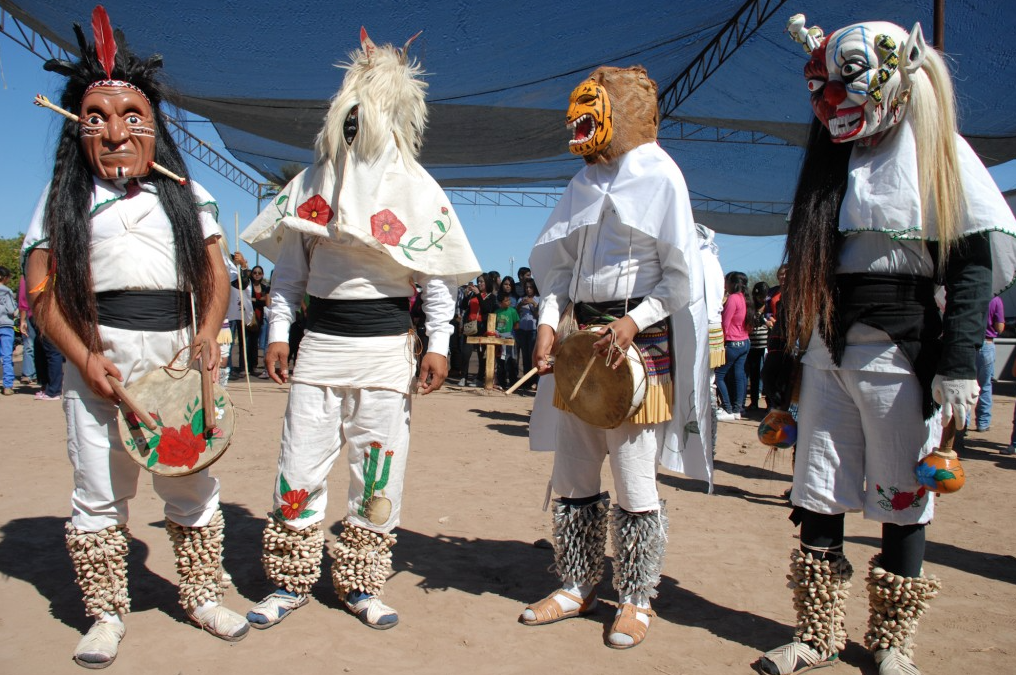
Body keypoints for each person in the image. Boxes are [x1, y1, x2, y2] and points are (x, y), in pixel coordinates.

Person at [756, 16, 1016, 675]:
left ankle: (891, 641)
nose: (830, 103)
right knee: (816, 490)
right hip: (824, 351)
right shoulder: (831, 164)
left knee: (903, 492)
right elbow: (806, 268)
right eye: (820, 88)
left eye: (845, 83)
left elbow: (971, 267)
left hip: (899, 354)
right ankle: (815, 633)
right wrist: (790, 358)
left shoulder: (940, 153)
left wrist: (959, 362)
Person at [21, 7, 249, 668]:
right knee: (98, 489)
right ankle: (105, 611)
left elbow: (214, 273)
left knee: (191, 484)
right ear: (77, 128)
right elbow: (40, 289)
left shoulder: (188, 194)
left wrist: (206, 336)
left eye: (131, 116)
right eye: (96, 117)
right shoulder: (62, 198)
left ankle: (202, 593)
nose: (115, 131)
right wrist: (84, 357)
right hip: (99, 367)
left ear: (155, 128)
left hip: (176, 362)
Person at [240, 27, 480, 631]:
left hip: (384, 354)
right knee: (299, 466)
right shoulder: (313, 181)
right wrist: (276, 331)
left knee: (378, 471)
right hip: (319, 349)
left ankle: (360, 584)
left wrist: (441, 343)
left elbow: (435, 276)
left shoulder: (419, 190)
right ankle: (291, 581)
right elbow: (290, 272)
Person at [524, 64, 712, 650]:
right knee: (573, 472)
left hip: (637, 341)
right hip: (582, 343)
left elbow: (682, 278)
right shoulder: (581, 182)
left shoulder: (662, 177)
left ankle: (636, 598)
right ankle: (576, 583)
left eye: (593, 113)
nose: (580, 127)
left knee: (634, 479)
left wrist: (634, 322)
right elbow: (558, 272)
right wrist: (551, 323)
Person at [714, 271, 750, 421]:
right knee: (739, 375)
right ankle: (737, 409)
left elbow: (725, 323)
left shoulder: (732, 299)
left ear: (731, 283)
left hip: (733, 342)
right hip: (745, 341)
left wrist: (720, 343)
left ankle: (727, 408)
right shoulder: (744, 298)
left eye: (726, 281)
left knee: (719, 375)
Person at [972, 295, 1004, 431]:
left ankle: (962, 424)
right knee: (985, 385)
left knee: (967, 383)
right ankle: (983, 423)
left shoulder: (971, 294)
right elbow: (1000, 327)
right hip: (987, 344)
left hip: (970, 343)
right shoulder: (996, 300)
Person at [459, 273, 497, 385]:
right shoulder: (472, 295)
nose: (479, 284)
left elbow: (486, 309)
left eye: (482, 282)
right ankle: (463, 377)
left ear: (487, 283)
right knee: (466, 353)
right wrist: (466, 296)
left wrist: (479, 295)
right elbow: (463, 307)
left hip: (482, 327)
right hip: (470, 326)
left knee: (481, 355)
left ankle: (480, 378)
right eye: (478, 281)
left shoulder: (491, 296)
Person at [746, 281, 770, 413]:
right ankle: (754, 402)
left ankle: (768, 403)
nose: (762, 299)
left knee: (765, 374)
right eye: (760, 296)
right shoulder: (751, 307)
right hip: (753, 345)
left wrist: (765, 321)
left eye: (764, 296)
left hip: (765, 345)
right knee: (754, 375)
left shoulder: (768, 307)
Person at [515, 278, 540, 386]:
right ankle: (526, 380)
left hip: (533, 330)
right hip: (522, 330)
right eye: (526, 287)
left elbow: (538, 315)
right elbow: (515, 313)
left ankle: (534, 380)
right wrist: (520, 305)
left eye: (530, 287)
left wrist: (533, 304)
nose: (528, 289)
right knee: (525, 356)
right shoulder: (521, 298)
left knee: (532, 356)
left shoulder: (538, 299)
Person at [494, 291, 519, 389]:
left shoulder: (512, 311)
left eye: (509, 300)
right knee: (500, 362)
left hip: (509, 338)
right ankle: (502, 383)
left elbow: (517, 324)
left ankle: (513, 383)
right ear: (500, 303)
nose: (508, 302)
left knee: (510, 361)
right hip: (499, 339)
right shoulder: (497, 312)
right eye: (506, 300)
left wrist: (511, 332)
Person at [17, 276, 37, 385]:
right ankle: (28, 373)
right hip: (31, 315)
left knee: (37, 346)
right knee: (29, 344)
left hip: (43, 314)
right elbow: (23, 299)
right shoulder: (25, 277)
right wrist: (23, 319)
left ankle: (36, 374)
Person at [0, 266, 15, 395]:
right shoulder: (6, 291)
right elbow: (11, 310)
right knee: (6, 355)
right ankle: (7, 385)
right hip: (5, 325)